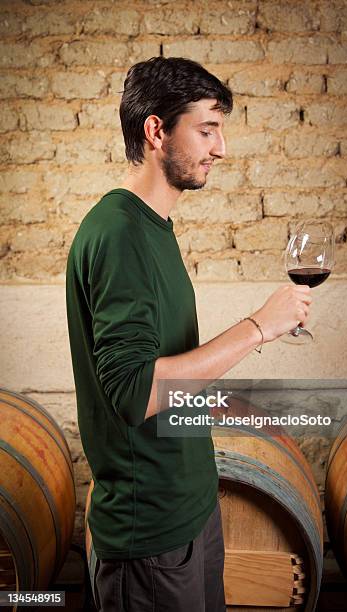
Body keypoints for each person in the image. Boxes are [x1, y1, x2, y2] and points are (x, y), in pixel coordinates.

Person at [65, 56, 312, 612]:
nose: (220, 148)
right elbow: (137, 394)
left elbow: (173, 370)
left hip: (190, 510)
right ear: (156, 131)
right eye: (206, 129)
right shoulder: (119, 235)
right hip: (149, 532)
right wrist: (258, 328)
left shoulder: (154, 228)